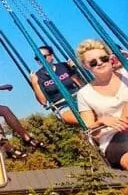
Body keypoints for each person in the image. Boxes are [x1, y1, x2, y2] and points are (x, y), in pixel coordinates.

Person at [75, 39, 128, 170]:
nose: (99, 63)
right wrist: (102, 121)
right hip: (114, 138)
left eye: (103, 58)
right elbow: (90, 130)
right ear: (86, 66)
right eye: (93, 62)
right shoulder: (84, 93)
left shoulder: (126, 75)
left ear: (110, 58)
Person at [29, 45, 84, 126]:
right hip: (62, 106)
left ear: (52, 56)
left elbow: (81, 85)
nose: (40, 60)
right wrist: (35, 84)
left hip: (79, 99)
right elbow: (43, 102)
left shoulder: (64, 66)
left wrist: (76, 68)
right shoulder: (38, 76)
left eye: (43, 56)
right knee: (82, 119)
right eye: (37, 58)